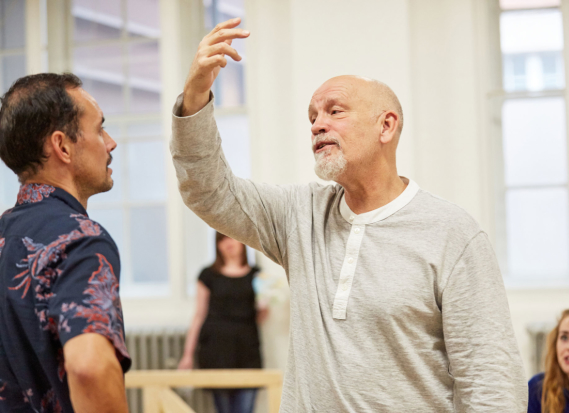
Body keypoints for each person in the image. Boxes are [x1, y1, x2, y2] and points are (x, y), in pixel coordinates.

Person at [170, 17, 527, 412]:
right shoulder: (298, 215)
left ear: (386, 126)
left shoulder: (451, 231)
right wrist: (196, 94)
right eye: (312, 117)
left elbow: (490, 377)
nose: (317, 125)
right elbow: (208, 192)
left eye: (334, 111)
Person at [0, 73, 130, 412]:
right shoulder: (80, 241)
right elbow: (89, 367)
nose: (111, 142)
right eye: (100, 128)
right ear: (63, 146)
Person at [178, 232, 265, 413]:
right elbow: (199, 315)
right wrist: (188, 355)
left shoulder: (257, 275)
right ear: (217, 245)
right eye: (222, 239)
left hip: (247, 351)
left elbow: (260, 317)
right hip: (216, 351)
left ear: (243, 241)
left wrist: (267, 306)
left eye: (232, 237)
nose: (228, 243)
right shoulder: (208, 275)